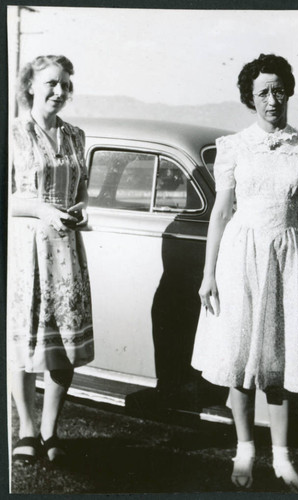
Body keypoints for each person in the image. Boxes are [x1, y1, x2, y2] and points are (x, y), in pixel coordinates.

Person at [191, 54, 298, 492]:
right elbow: (220, 214)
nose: (273, 100)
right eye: (263, 92)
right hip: (239, 256)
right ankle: (246, 449)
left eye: (279, 90)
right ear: (251, 99)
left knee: (280, 360)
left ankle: (284, 458)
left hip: (288, 259)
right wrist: (208, 274)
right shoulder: (233, 146)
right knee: (240, 359)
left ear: (288, 90)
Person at [8, 55, 94, 464]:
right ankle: (25, 427)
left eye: (64, 85)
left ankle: (50, 429)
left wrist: (80, 210)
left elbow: (82, 190)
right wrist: (42, 210)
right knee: (23, 341)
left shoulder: (77, 136)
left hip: (66, 251)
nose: (59, 92)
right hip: (26, 249)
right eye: (51, 84)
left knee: (64, 343)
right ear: (30, 86)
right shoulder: (13, 134)